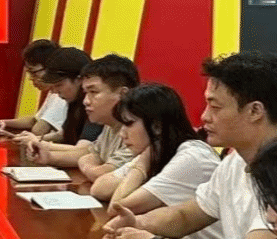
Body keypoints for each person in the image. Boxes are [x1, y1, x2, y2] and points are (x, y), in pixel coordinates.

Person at [102, 52, 277, 239]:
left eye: (215, 107)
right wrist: (138, 223)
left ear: (255, 111)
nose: (204, 116)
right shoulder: (234, 162)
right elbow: (186, 215)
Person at [90, 82, 219, 209]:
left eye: (129, 124)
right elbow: (98, 188)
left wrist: (140, 167)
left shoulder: (191, 157)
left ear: (157, 126)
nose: (122, 134)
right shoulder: (155, 150)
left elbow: (118, 207)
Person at [28, 52, 137, 172]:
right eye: (85, 93)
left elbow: (102, 173)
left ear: (123, 94)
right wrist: (48, 157)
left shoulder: (137, 130)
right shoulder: (109, 125)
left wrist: (89, 165)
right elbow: (89, 155)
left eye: (94, 92)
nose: (86, 101)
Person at [0, 39, 66, 142]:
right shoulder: (53, 91)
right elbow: (34, 121)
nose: (30, 78)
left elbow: (39, 130)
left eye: (33, 72)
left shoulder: (63, 93)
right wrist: (2, 122)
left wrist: (17, 135)